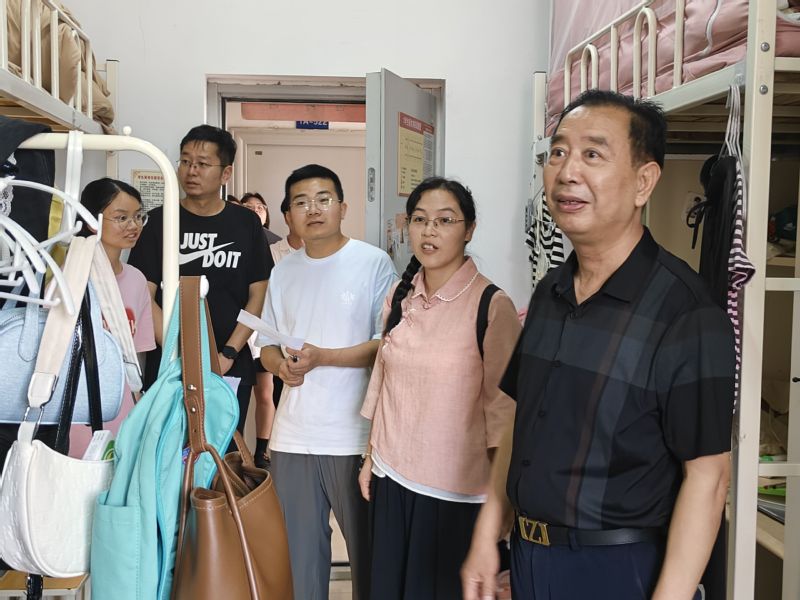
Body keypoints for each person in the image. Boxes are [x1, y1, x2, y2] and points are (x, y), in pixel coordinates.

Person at [461, 90, 735, 600]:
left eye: (593, 154)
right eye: (558, 152)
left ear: (643, 182)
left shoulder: (686, 313)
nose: (567, 172)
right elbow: (523, 419)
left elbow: (709, 476)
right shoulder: (550, 291)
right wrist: (487, 534)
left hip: (619, 566)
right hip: (530, 555)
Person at [358, 177, 520, 599]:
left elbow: (504, 416)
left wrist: (501, 506)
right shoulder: (400, 296)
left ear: (469, 230)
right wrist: (370, 457)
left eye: (445, 221)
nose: (429, 231)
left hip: (455, 494)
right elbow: (385, 381)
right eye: (419, 219)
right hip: (391, 476)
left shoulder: (492, 305)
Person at [257, 164, 396, 600]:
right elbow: (266, 345)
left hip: (352, 436)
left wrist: (324, 358)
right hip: (292, 436)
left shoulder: (372, 263)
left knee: (368, 556)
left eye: (323, 199)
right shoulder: (283, 271)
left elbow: (386, 344)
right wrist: (281, 367)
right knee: (300, 562)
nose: (313, 209)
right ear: (288, 215)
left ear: (342, 207)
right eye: (301, 202)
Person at [129, 125, 273, 442]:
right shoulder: (159, 221)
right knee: (165, 449)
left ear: (226, 173)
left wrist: (228, 353)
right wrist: (184, 353)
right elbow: (144, 295)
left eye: (203, 164)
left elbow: (259, 294)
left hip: (229, 363)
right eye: (185, 161)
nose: (191, 171)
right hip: (170, 363)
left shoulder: (246, 223)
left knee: (222, 451)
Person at [69, 178, 156, 457]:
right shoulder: (70, 276)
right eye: (121, 218)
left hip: (123, 404)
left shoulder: (137, 280)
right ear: (92, 220)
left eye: (138, 216)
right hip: (78, 405)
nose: (133, 225)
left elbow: (137, 354)